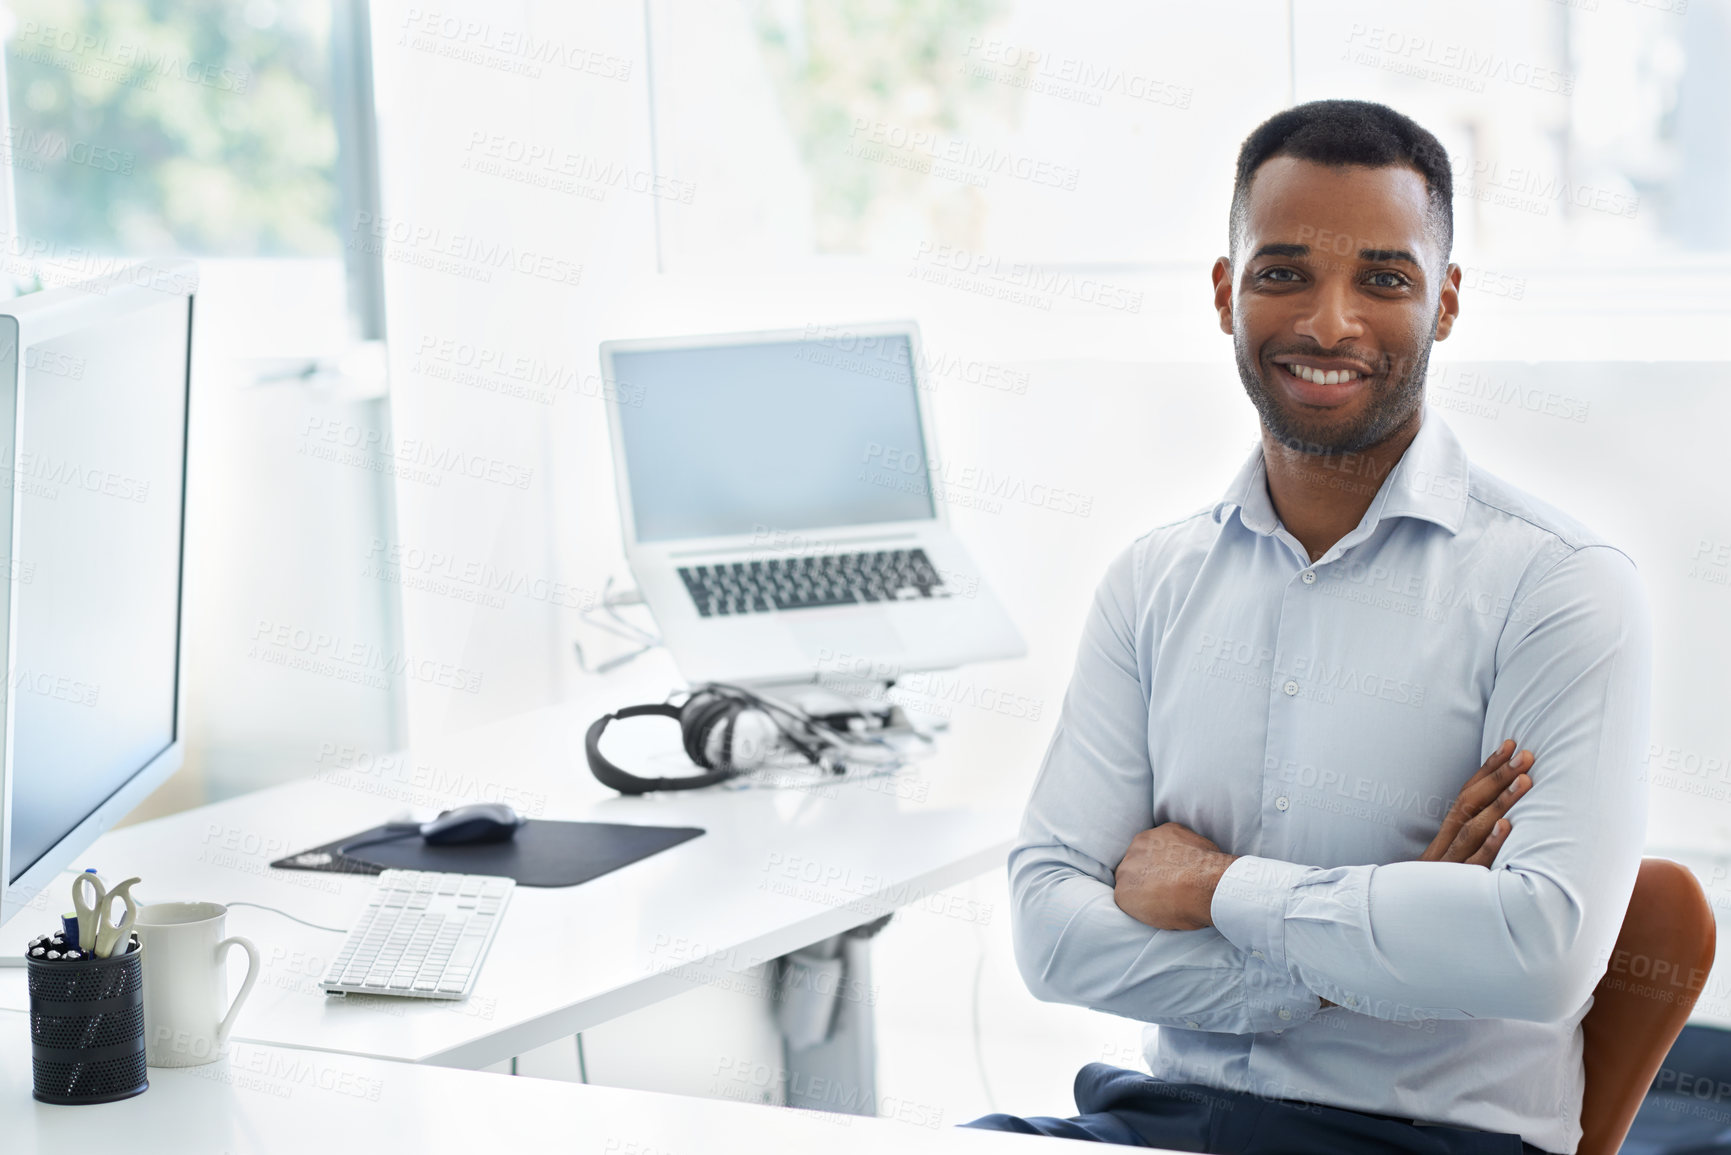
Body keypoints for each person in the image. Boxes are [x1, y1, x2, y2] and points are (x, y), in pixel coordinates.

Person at [962, 99, 1651, 1154]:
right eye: (1284, 273)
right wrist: (1364, 957)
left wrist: (1213, 889)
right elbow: (1051, 933)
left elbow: (1537, 952)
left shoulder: (1559, 589)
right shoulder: (1152, 583)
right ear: (1225, 292)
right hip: (1155, 1120)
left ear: (1447, 302)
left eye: (1384, 278)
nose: (1331, 324)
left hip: (1421, 1140)